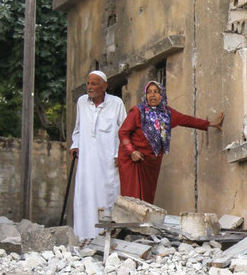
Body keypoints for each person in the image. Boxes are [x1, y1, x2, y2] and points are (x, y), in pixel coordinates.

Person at [118, 81, 224, 203]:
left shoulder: (167, 114)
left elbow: (187, 120)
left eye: (156, 92)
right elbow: (123, 132)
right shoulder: (138, 112)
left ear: (162, 95)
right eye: (149, 92)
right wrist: (132, 151)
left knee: (146, 198)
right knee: (132, 197)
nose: (152, 95)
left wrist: (211, 124)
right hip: (133, 160)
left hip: (151, 162)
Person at [70, 70, 127, 240]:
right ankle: (83, 236)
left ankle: (106, 238)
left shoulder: (116, 103)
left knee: (107, 195)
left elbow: (124, 131)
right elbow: (78, 129)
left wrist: (119, 153)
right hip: (86, 162)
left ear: (104, 86)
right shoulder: (82, 102)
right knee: (84, 196)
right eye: (88, 83)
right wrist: (75, 145)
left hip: (107, 161)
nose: (89, 87)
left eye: (93, 84)